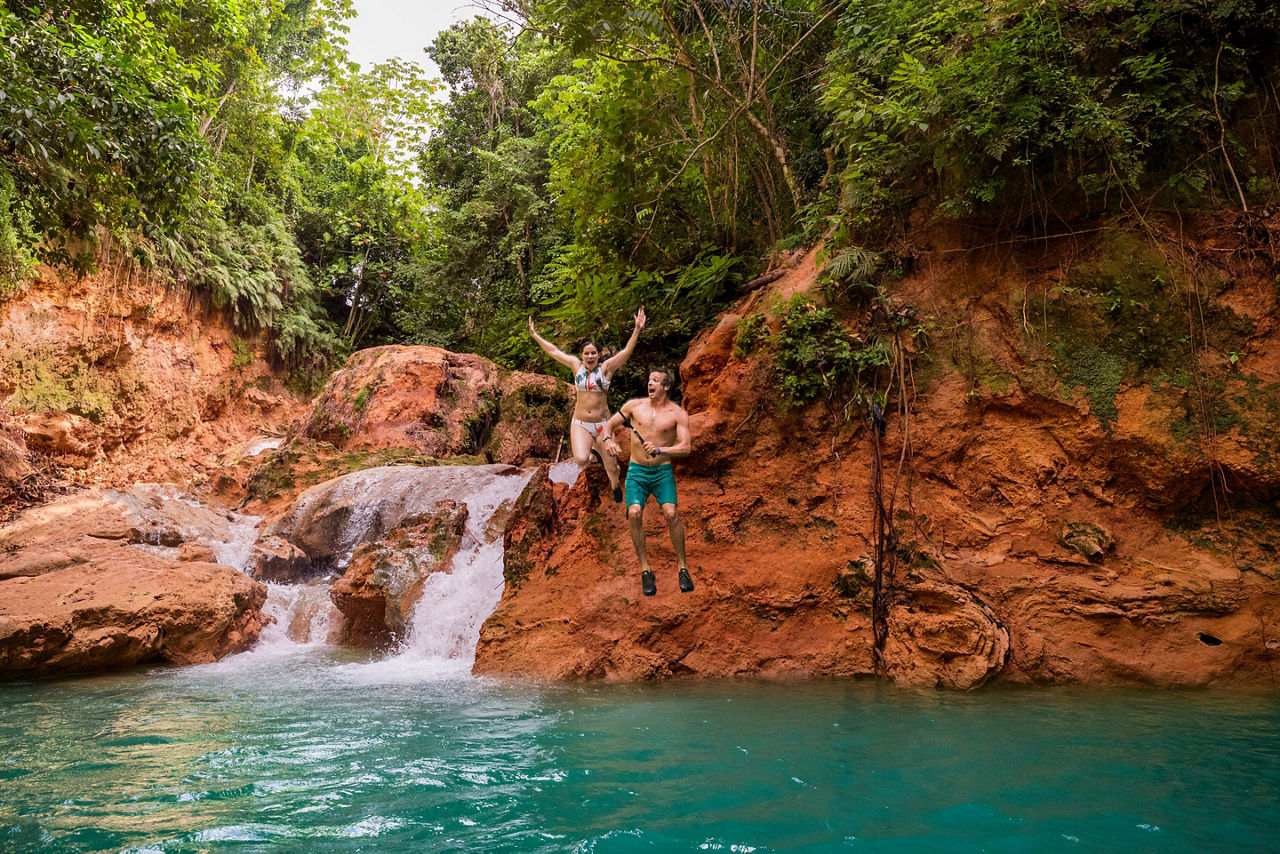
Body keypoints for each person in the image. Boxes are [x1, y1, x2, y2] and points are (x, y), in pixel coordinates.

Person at [528, 307, 646, 502]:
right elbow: (553, 351)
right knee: (581, 460)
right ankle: (594, 454)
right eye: (586, 354)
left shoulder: (606, 369)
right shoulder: (576, 366)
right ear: (582, 356)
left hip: (603, 425)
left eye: (593, 353)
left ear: (599, 355)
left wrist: (637, 330)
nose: (590, 357)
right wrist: (535, 335)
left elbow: (626, 352)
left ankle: (615, 485)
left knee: (613, 468)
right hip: (580, 422)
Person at [603, 368, 692, 596]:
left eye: (656, 381)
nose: (650, 384)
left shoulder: (677, 413)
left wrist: (662, 449)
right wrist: (608, 440)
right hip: (637, 471)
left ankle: (682, 567)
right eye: (649, 380)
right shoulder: (634, 406)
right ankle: (645, 570)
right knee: (634, 513)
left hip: (662, 471)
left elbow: (685, 447)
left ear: (666, 387)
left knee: (671, 513)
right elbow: (608, 426)